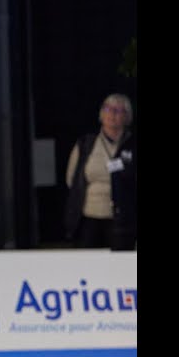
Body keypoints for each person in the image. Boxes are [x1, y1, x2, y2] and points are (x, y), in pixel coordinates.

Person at [64, 93, 136, 250]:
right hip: (88, 216)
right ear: (102, 114)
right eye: (108, 109)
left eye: (118, 110)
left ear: (127, 116)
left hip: (122, 219)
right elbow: (72, 179)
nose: (112, 114)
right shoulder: (86, 143)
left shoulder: (132, 144)